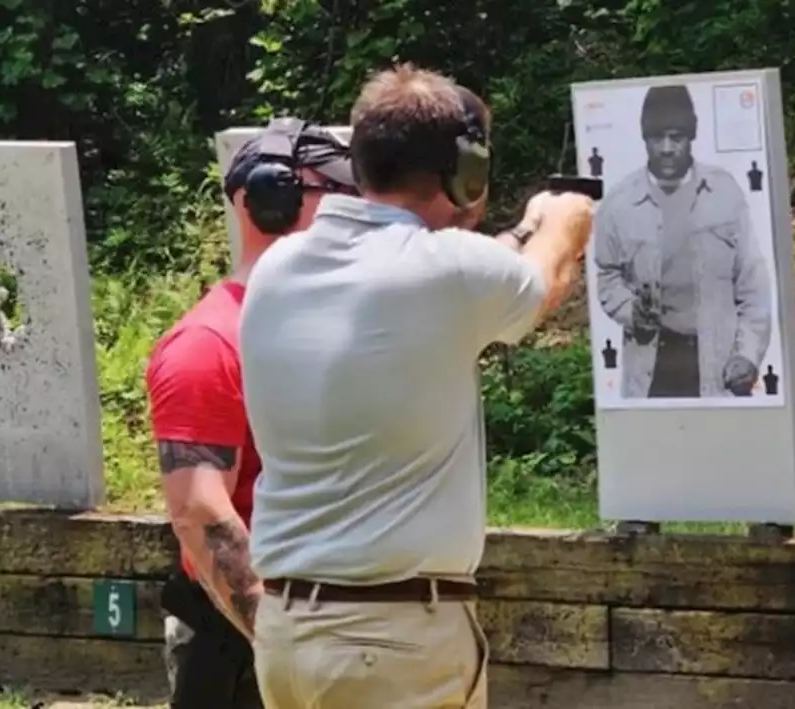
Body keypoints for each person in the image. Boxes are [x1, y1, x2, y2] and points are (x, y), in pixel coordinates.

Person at [238, 64, 594, 709]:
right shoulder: (447, 272)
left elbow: (455, 268)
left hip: (291, 632)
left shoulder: (281, 265)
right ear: (468, 172)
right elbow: (544, 280)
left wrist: (516, 231)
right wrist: (563, 217)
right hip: (391, 639)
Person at [144, 116, 356, 709]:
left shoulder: (329, 326)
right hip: (250, 647)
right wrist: (284, 645)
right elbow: (199, 510)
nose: (355, 213)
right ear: (266, 201)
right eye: (336, 196)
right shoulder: (207, 344)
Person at [594, 84, 773, 399]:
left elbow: (752, 284)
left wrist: (746, 355)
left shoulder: (725, 193)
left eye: (676, 137)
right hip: (651, 370)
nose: (666, 148)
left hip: (717, 369)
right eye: (656, 138)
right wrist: (630, 311)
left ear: (691, 137)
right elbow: (607, 277)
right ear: (644, 139)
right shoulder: (618, 204)